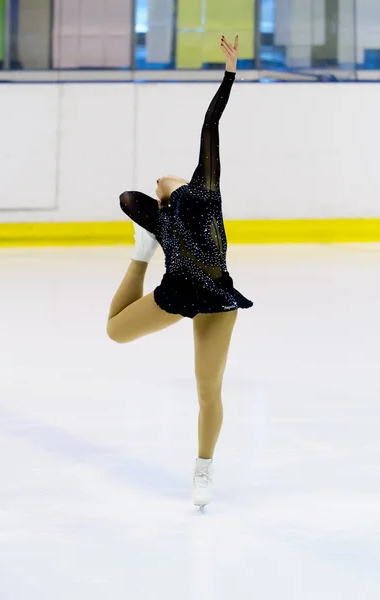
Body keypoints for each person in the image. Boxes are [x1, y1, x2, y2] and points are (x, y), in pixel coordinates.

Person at [107, 35, 253, 507]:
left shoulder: (205, 188)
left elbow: (211, 123)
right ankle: (140, 254)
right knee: (115, 333)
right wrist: (152, 221)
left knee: (208, 387)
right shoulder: (164, 215)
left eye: (162, 179)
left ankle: (203, 469)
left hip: (215, 298)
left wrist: (229, 73)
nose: (158, 177)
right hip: (174, 291)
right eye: (157, 184)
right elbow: (130, 199)